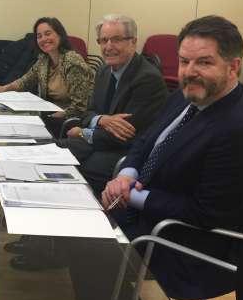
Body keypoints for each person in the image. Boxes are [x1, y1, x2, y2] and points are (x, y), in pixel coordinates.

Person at [69, 15, 243, 300]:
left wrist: (133, 195)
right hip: (150, 212)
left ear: (233, 67)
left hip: (182, 241)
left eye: (204, 62)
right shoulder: (187, 95)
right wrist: (128, 173)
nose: (190, 71)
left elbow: (206, 214)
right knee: (78, 228)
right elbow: (146, 142)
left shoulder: (239, 129)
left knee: (88, 249)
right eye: (185, 61)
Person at [61, 14, 168, 195]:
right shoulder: (104, 71)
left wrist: (82, 132)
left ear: (133, 42)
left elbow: (123, 135)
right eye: (103, 40)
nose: (108, 47)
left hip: (124, 153)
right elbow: (87, 113)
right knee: (52, 154)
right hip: (97, 143)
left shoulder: (147, 79)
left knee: (76, 173)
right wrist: (101, 119)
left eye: (116, 39)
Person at [0, 17, 93, 136]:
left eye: (48, 34)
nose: (43, 39)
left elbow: (80, 107)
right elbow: (26, 80)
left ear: (60, 35)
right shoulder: (44, 59)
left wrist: (51, 117)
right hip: (51, 114)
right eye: (39, 36)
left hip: (71, 122)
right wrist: (2, 88)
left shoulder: (72, 61)